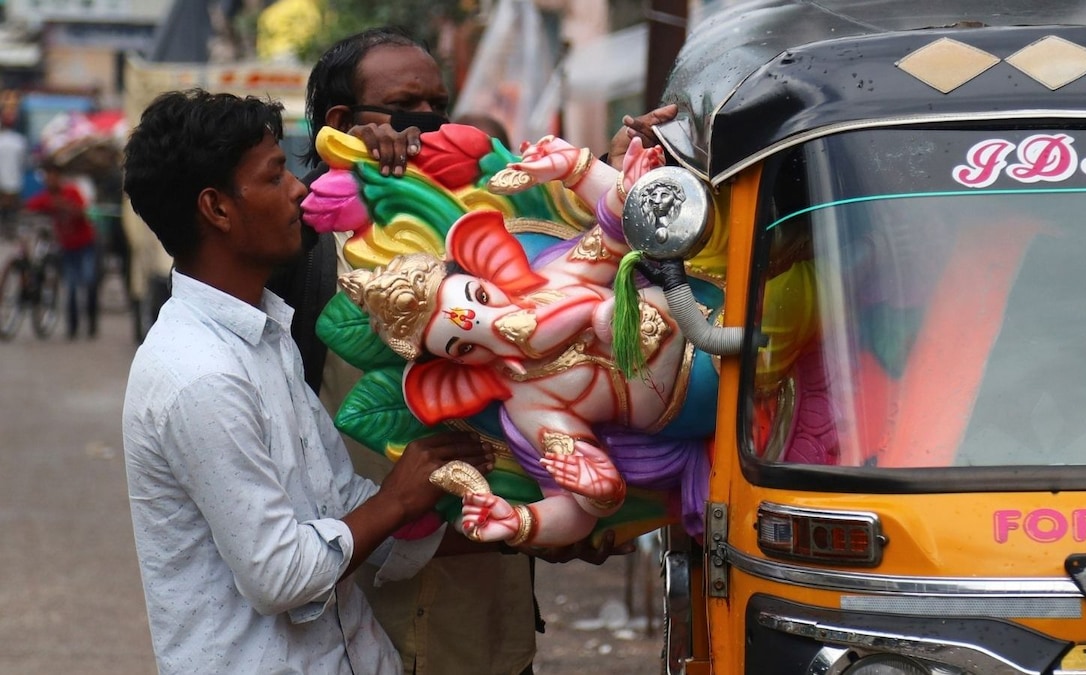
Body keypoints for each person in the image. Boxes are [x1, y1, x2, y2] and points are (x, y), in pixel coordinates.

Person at [272, 25, 679, 675]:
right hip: (384, 625)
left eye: (441, 105)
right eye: (411, 104)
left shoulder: (480, 232)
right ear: (345, 121)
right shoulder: (308, 256)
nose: (430, 121)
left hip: (501, 614)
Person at [120, 88, 492, 674]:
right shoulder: (198, 373)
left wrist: (526, 524)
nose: (298, 189)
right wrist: (398, 498)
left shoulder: (265, 338)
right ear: (216, 209)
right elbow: (279, 575)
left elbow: (345, 509)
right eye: (275, 177)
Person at [25, 159, 98, 338]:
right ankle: (72, 328)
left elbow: (83, 212)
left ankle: (91, 323)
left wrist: (65, 206)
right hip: (67, 248)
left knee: (89, 283)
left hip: (85, 244)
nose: (50, 181)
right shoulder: (46, 197)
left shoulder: (71, 192)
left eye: (52, 176)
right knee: (71, 287)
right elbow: (29, 207)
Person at [0, 113, 26, 237]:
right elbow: (24, 162)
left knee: (3, 206)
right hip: (15, 180)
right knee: (13, 208)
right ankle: (11, 231)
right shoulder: (20, 141)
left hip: (2, 181)